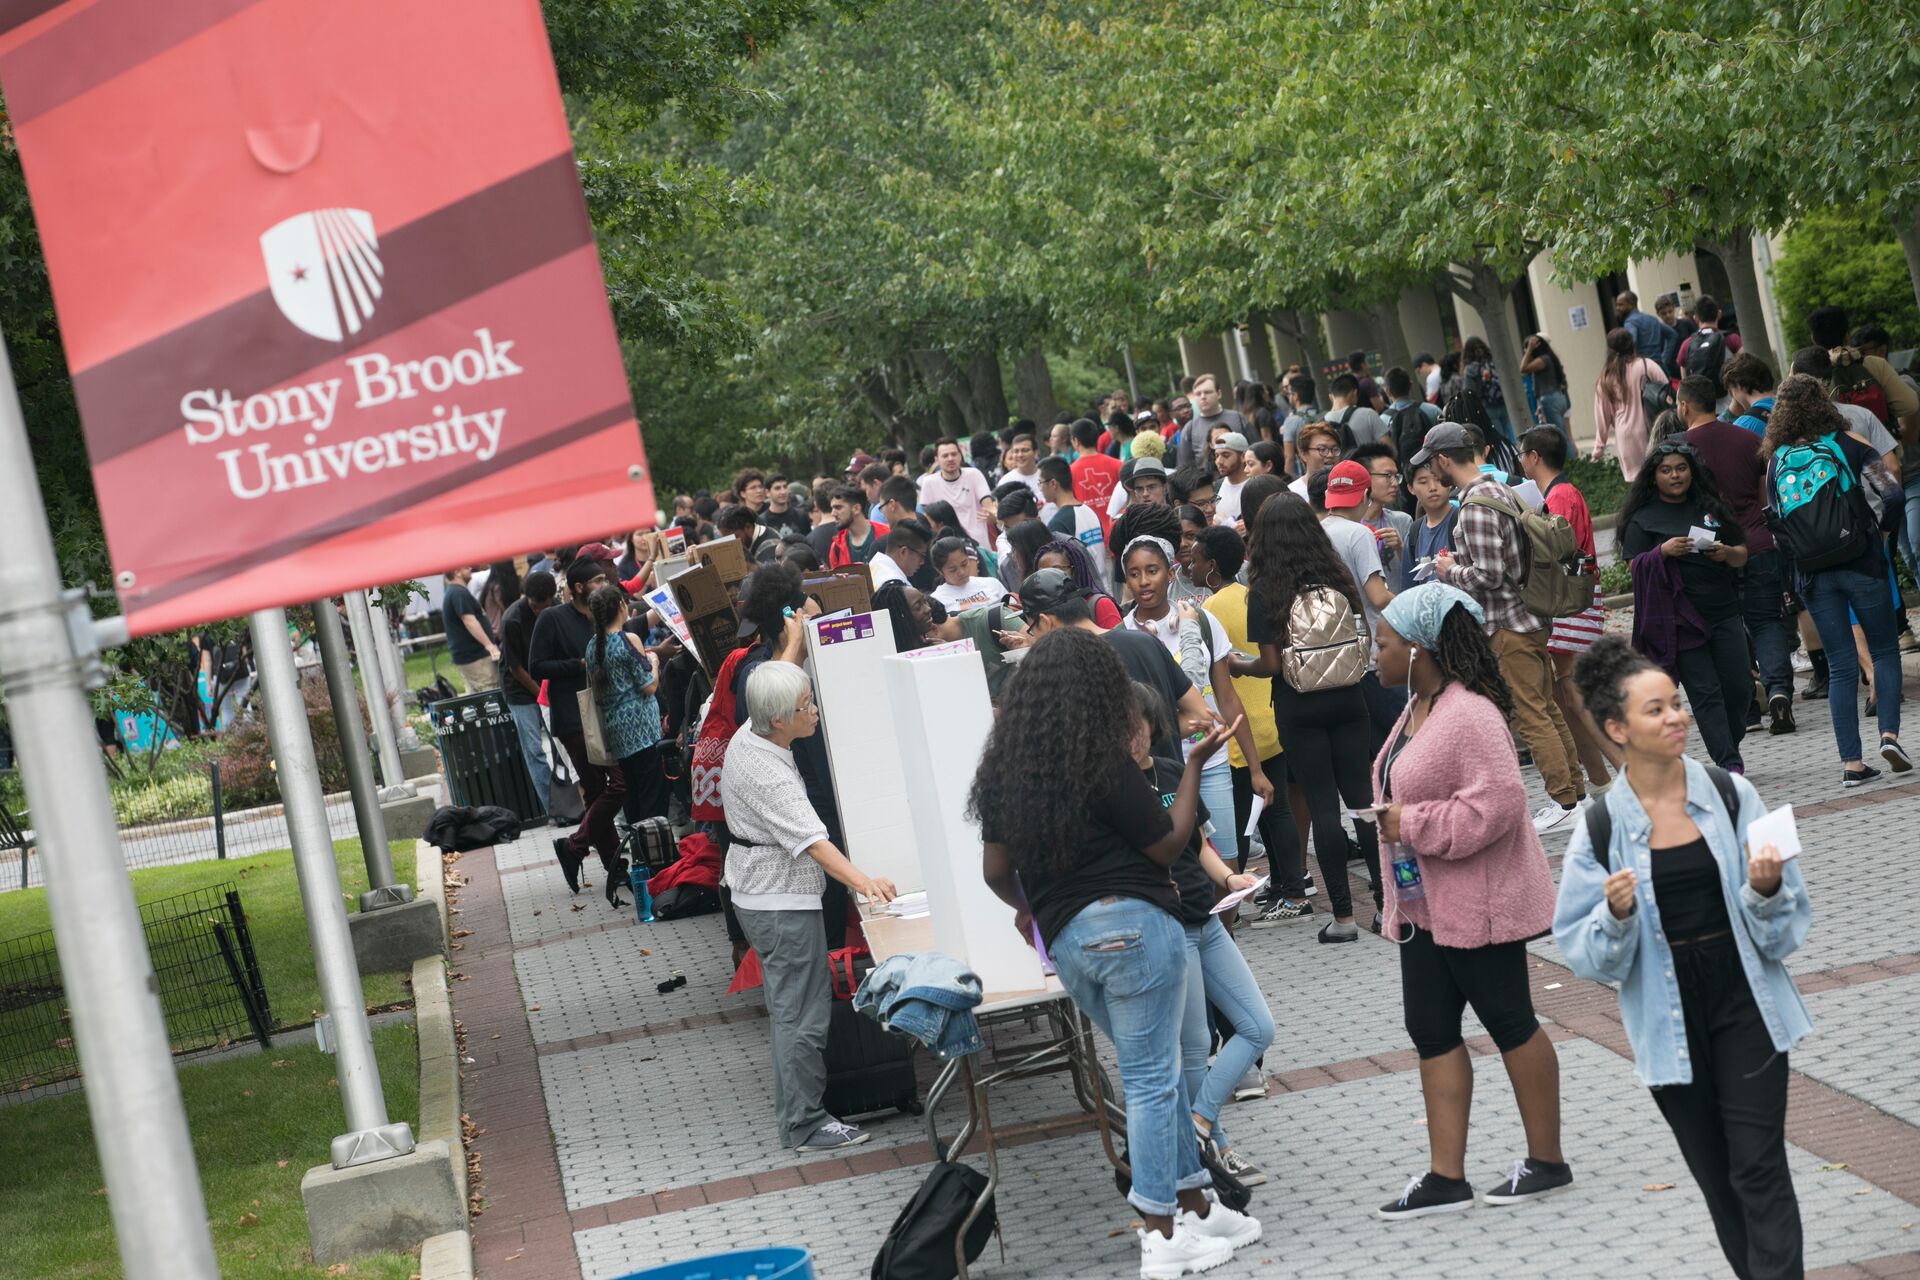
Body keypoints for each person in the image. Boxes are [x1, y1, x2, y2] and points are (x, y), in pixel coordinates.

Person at [973, 629, 1259, 1277]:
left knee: (1147, 1071)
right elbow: (1166, 842)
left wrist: (1030, 906)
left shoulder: (1006, 773)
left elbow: (994, 870)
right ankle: (1161, 1234)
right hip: (1136, 927)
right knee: (1154, 1082)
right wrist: (1190, 767)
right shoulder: (1098, 757)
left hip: (1072, 943)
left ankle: (1197, 1204)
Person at [1554, 637, 1810, 1279]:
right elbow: (1584, 955)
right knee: (1722, 1182)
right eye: (1655, 710)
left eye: (1675, 704)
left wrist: (1766, 888)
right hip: (1666, 1016)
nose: (1675, 717)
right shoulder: (1600, 828)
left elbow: (1784, 933)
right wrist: (1613, 916)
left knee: (1758, 1166)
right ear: (1617, 729)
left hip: (1745, 998)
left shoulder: (1729, 795)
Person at [1370, 583, 1571, 1219]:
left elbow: (1501, 804)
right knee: (1429, 1029)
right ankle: (1444, 1177)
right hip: (1424, 905)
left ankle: (1548, 1162)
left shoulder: (1471, 713)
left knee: (1511, 1020)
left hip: (1478, 902)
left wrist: (1414, 824)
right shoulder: (1417, 707)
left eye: (1383, 642)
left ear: (1418, 649)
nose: (1374, 652)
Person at [724, 661, 898, 1154]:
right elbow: (815, 843)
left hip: (761, 895)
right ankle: (804, 1122)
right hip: (780, 904)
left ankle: (799, 1113)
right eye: (806, 706)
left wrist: (796, 632)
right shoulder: (768, 775)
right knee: (801, 1013)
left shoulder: (752, 728)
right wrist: (864, 883)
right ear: (779, 719)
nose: (815, 711)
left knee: (789, 1010)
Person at [1127, 680, 1275, 1188]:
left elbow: (1201, 845)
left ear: (1153, 725)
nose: (1132, 735)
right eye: (1120, 725)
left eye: (1138, 724)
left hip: (1208, 920)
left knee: (1258, 1028)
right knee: (1193, 1049)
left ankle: (1199, 1123)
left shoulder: (1174, 772)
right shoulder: (1117, 790)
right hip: (1169, 929)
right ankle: (1219, 1153)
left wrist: (1232, 879)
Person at [1229, 494, 1382, 943]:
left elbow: (1272, 665)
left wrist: (1241, 665)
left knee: (1322, 808)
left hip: (1299, 706)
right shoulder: (1337, 576)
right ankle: (1389, 909)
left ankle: (1343, 918)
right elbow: (1362, 634)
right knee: (1363, 804)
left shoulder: (1265, 590)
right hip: (1350, 699)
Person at [1419, 423, 1586, 832]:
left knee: (1531, 716)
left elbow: (1489, 576)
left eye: (1430, 464)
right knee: (1545, 708)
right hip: (1530, 619)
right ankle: (1576, 794)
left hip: (1507, 625)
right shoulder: (1499, 488)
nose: (1430, 474)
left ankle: (1563, 800)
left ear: (1444, 460)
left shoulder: (1474, 504)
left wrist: (1449, 569)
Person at [1762, 375, 1909, 785]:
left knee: (1842, 666)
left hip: (1814, 574)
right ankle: (1890, 736)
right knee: (1883, 650)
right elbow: (1892, 492)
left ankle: (1851, 764)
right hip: (1862, 562)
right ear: (1824, 403)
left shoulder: (1776, 460)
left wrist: (1799, 564)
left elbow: (1775, 523)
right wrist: (1881, 534)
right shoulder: (1851, 444)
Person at [1120, 533, 1270, 871]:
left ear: (1171, 574)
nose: (1144, 581)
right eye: (1134, 573)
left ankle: (1227, 927)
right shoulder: (1122, 637)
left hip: (1214, 762)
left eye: (1153, 570)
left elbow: (1227, 698)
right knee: (1181, 864)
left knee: (1228, 863)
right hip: (1158, 766)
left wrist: (1255, 768)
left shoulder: (1202, 622)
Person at [1196, 527, 1310, 919]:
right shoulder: (1249, 596)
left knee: (1243, 823)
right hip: (1269, 720)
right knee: (1273, 810)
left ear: (1212, 566)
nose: (1188, 566)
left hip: (1239, 730)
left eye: (1195, 560)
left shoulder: (1208, 612)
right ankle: (1284, 888)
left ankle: (1247, 901)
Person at [1620, 438, 1752, 770]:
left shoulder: (1711, 507)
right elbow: (1634, 566)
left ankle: (1728, 743)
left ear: (1692, 472)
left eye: (1681, 468)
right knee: (1706, 693)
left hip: (1724, 612)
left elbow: (1742, 554)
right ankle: (1730, 763)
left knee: (1740, 687)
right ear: (1654, 476)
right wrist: (1661, 553)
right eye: (1666, 470)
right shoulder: (1641, 519)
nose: (1675, 476)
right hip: (1679, 620)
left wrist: (1724, 553)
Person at [1681, 372, 1797, 736]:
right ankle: (1779, 691)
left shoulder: (1679, 450)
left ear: (1683, 405)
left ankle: (1748, 708)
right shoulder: (1748, 438)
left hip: (1709, 552)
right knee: (1766, 623)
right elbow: (1765, 497)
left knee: (1727, 630)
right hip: (1757, 543)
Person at [1516, 427, 1617, 788]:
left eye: (1522, 454)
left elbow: (1556, 549)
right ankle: (1601, 779)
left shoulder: (1559, 496)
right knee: (1566, 697)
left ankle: (1627, 772)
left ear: (1534, 457)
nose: (1520, 461)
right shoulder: (1563, 492)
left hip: (1568, 606)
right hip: (1573, 604)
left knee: (1573, 695)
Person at [1015, 567, 1216, 740]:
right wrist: (1153, 739)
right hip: (1175, 780)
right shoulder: (1145, 642)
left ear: (1045, 621)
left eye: (1033, 630)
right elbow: (1201, 715)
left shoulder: (1067, 669)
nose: (1034, 638)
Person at [532, 558, 626, 890]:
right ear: (578, 587)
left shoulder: (600, 617)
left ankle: (585, 852)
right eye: (598, 580)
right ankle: (593, 854)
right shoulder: (552, 618)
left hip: (605, 712)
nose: (604, 584)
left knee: (607, 789)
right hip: (573, 717)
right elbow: (537, 665)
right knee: (612, 787)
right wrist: (578, 664)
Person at [584, 586, 668, 898]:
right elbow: (648, 687)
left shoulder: (593, 647)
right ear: (621, 607)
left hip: (617, 734)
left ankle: (642, 865)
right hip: (643, 732)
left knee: (632, 802)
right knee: (652, 798)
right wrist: (655, 661)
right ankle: (659, 865)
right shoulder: (628, 641)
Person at [1317, 460, 1402, 753]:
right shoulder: (1359, 533)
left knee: (1370, 751)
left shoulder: (1316, 533)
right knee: (1398, 742)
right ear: (1365, 496)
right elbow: (1378, 597)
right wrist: (1406, 600)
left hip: (1337, 660)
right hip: (1372, 658)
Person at [499, 570, 556, 806]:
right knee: (534, 749)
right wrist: (541, 694)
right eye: (535, 607)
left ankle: (574, 802)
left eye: (544, 606)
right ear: (526, 598)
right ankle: (551, 806)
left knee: (559, 745)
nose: (539, 612)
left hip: (547, 682)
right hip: (520, 689)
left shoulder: (554, 609)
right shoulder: (512, 619)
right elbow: (515, 667)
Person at [1592, 327, 1667, 481]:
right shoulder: (1647, 366)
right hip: (1652, 430)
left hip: (1626, 439)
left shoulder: (1606, 378)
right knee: (1660, 480)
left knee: (1638, 487)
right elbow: (1667, 393)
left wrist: (1599, 448)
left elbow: (1602, 418)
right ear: (1632, 344)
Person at [1349, 442, 1414, 590]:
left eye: (1396, 476)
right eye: (1387, 476)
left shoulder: (1402, 521)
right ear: (1363, 478)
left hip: (1399, 608)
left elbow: (1415, 573)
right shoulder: (1348, 526)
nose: (1395, 484)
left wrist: (1400, 547)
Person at [1041, 454, 1108, 579]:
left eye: (1040, 483)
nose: (1040, 488)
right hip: (1103, 588)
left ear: (1053, 483)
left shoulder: (1058, 523)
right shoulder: (1089, 511)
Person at [918, 437, 994, 544]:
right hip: (948, 545)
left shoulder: (974, 474)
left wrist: (993, 515)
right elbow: (927, 520)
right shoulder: (929, 482)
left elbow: (988, 505)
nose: (950, 459)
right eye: (945, 456)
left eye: (954, 454)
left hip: (979, 542)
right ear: (937, 460)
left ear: (960, 455)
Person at [441, 566, 500, 692]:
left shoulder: (455, 591)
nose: (470, 568)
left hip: (468, 656)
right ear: (456, 572)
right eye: (466, 567)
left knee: (475, 698)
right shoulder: (458, 592)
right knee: (489, 692)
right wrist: (489, 645)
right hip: (476, 656)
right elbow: (469, 621)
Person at [1675, 296, 1741, 408]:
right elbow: (1744, 373)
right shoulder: (1731, 339)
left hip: (1702, 411)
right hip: (1731, 407)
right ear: (1719, 314)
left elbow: (1685, 383)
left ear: (1695, 318)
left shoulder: (1687, 345)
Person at [1176, 373, 1248, 472]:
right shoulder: (1190, 428)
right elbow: (1183, 469)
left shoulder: (1239, 418)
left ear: (1219, 394)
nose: (1203, 397)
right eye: (1198, 394)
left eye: (1207, 392)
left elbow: (1255, 453)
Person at [1069, 417, 1124, 539]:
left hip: (1090, 537)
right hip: (1119, 533)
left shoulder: (1070, 472)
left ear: (1075, 441)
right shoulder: (1118, 464)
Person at [1383, 366, 1442, 477]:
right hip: (1435, 472)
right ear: (1410, 385)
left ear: (1387, 392)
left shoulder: (1382, 420)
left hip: (1404, 476)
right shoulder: (1433, 410)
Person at [1521, 334, 1573, 453]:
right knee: (1561, 433)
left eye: (1527, 348)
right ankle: (1571, 464)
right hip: (1557, 398)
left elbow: (1523, 369)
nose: (1525, 352)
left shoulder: (1542, 360)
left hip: (1550, 400)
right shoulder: (1548, 357)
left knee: (1558, 436)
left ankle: (1570, 465)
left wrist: (1529, 349)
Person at [929, 536, 1009, 611]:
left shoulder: (992, 583)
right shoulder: (938, 600)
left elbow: (1013, 608)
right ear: (940, 571)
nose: (961, 572)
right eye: (953, 570)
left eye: (964, 564)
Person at [1460, 337, 1514, 443]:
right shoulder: (1494, 363)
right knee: (1508, 435)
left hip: (1487, 408)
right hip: (1502, 403)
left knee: (1498, 438)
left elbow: (1469, 393)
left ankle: (1505, 458)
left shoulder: (1470, 370)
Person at [826, 484, 887, 568]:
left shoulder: (886, 534)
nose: (833, 514)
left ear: (856, 509)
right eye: (832, 508)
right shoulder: (836, 547)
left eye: (838, 507)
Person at [1616, 289, 1676, 365]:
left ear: (1631, 304)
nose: (1617, 308)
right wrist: (1664, 358)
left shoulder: (1630, 322)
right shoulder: (1652, 319)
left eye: (1621, 305)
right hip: (1659, 366)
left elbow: (1632, 341)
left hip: (1643, 368)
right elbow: (1672, 334)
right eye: (1617, 305)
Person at [1327, 373, 1387, 447]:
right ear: (1354, 393)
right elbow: (1388, 447)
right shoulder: (1368, 414)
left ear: (1331, 397)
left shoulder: (1320, 425)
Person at [1287, 422, 1342, 499]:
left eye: (1335, 449)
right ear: (1303, 454)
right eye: (1322, 449)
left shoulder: (1348, 488)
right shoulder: (1293, 493)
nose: (1330, 455)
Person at [1211, 432, 1254, 528]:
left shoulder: (1257, 486)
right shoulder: (1215, 487)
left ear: (1243, 456)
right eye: (1217, 456)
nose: (1219, 461)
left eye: (1226, 455)